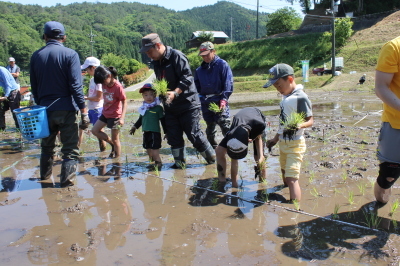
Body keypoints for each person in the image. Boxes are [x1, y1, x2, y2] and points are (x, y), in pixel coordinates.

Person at [139, 33, 215, 168]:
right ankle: (180, 165)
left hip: (187, 104)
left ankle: (213, 161)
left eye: (150, 52)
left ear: (158, 46)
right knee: (173, 136)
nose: (148, 55)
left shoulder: (176, 56)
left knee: (194, 135)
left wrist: (175, 92)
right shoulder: (156, 62)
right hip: (170, 106)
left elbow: (187, 77)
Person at [30, 21, 90, 187]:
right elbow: (76, 86)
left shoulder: (36, 56)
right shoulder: (70, 55)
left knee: (47, 147)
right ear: (64, 37)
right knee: (70, 149)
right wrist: (84, 111)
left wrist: (40, 104)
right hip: (66, 109)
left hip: (44, 110)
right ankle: (67, 183)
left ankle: (45, 179)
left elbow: (34, 88)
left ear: (45, 36)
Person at [264, 63, 313, 202]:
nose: (278, 89)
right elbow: (282, 123)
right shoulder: (285, 98)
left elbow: (310, 120)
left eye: (279, 85)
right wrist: (275, 139)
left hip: (295, 144)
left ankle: (294, 207)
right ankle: (286, 187)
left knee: (292, 178)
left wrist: (299, 125)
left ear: (290, 79)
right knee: (284, 172)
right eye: (275, 87)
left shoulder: (301, 97)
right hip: (284, 143)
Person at [373, 36, 400, 205]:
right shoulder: (394, 47)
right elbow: (381, 87)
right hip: (396, 123)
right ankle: (379, 207)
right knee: (388, 176)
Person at [194, 41, 233, 149]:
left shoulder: (222, 65)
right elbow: (196, 88)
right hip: (205, 102)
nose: (205, 57)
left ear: (213, 51)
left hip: (219, 99)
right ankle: (213, 147)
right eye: (203, 56)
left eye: (207, 54)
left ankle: (231, 147)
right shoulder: (199, 70)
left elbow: (228, 83)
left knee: (224, 124)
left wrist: (224, 99)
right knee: (210, 127)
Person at [216, 107, 267, 188]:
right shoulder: (233, 133)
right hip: (239, 127)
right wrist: (234, 186)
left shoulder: (259, 124)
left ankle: (262, 182)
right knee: (219, 150)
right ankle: (221, 181)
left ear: (248, 140)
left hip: (255, 120)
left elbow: (259, 139)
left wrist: (261, 156)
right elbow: (234, 160)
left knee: (258, 157)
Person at [91, 65, 127, 159]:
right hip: (105, 113)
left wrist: (122, 118)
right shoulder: (104, 84)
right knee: (94, 130)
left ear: (109, 76)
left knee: (116, 140)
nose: (103, 84)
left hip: (115, 115)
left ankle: (117, 160)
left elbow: (124, 101)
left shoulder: (118, 87)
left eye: (103, 81)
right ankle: (111, 144)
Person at [129, 83, 167, 170]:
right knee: (148, 148)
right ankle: (152, 162)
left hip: (155, 132)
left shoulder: (158, 108)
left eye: (151, 94)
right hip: (146, 132)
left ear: (155, 95)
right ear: (143, 96)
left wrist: (166, 132)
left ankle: (158, 162)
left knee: (154, 149)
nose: (148, 97)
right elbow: (140, 120)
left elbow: (163, 121)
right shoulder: (143, 108)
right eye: (146, 95)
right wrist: (134, 127)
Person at [79, 56, 106, 151]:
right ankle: (77, 149)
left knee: (99, 132)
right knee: (81, 127)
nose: (86, 70)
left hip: (97, 109)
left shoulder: (99, 81)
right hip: (91, 109)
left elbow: (99, 98)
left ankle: (104, 150)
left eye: (87, 68)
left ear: (93, 68)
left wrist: (86, 98)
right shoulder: (92, 80)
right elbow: (90, 94)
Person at [0, 66, 21, 130]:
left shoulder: (2, 70)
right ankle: (1, 127)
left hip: (12, 91)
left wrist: (6, 96)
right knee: (0, 110)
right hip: (4, 92)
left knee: (15, 111)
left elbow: (8, 84)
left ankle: (19, 128)